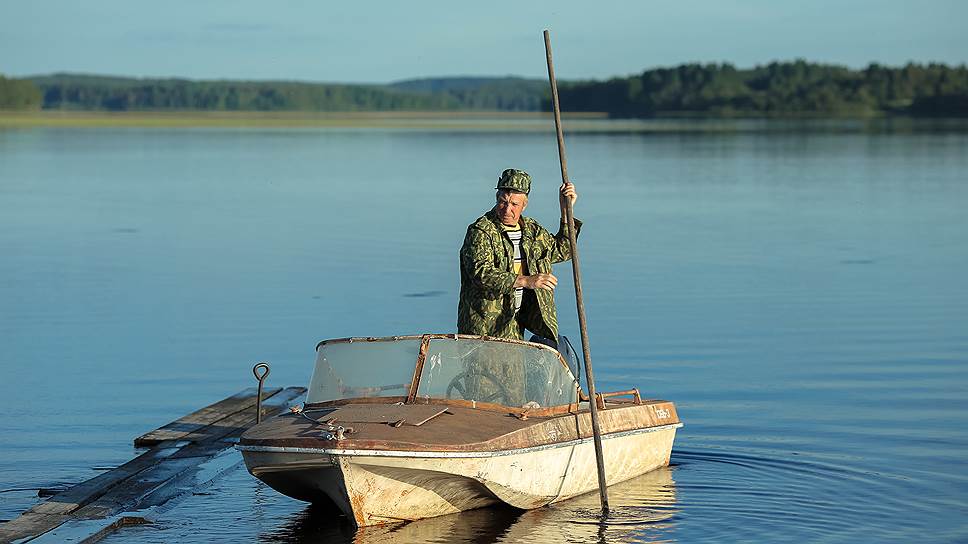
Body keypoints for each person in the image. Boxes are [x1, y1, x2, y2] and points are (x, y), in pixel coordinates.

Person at [457, 168, 580, 342]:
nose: (507, 209)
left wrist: (566, 211)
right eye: (502, 202)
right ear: (497, 198)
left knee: (514, 370)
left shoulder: (532, 230)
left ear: (524, 205)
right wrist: (526, 281)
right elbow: (480, 273)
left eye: (514, 204)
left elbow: (563, 251)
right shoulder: (480, 231)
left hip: (514, 323)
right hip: (483, 328)